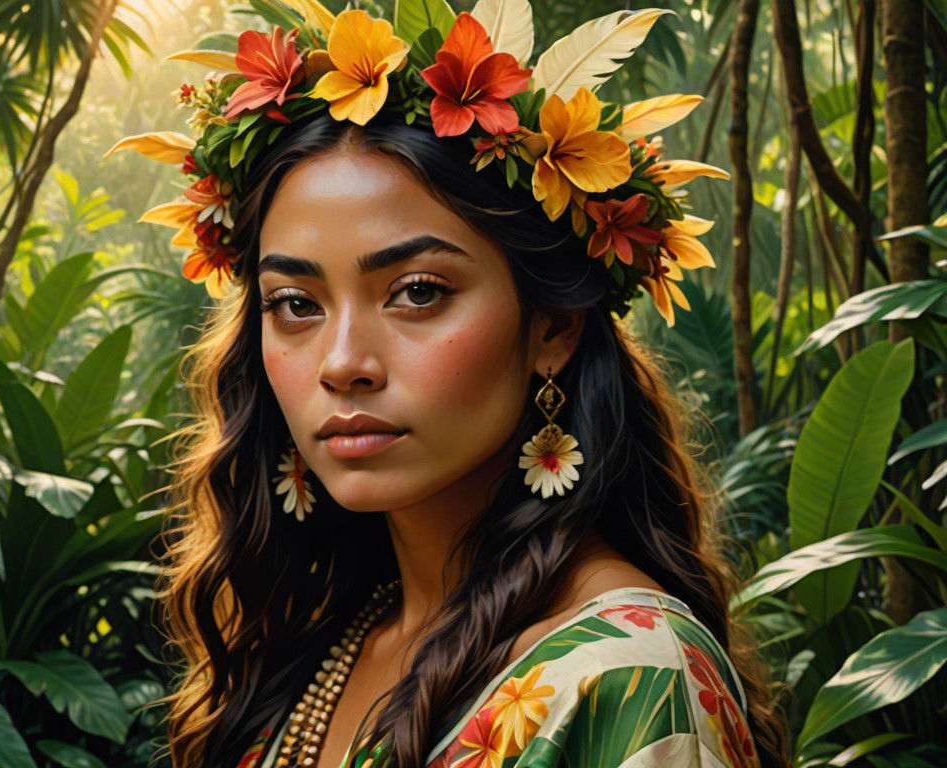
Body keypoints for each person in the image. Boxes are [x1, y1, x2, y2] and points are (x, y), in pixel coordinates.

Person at [106, 3, 789, 767]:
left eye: (419, 292)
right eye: (295, 305)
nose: (342, 363)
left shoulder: (624, 676)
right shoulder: (322, 640)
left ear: (554, 327)